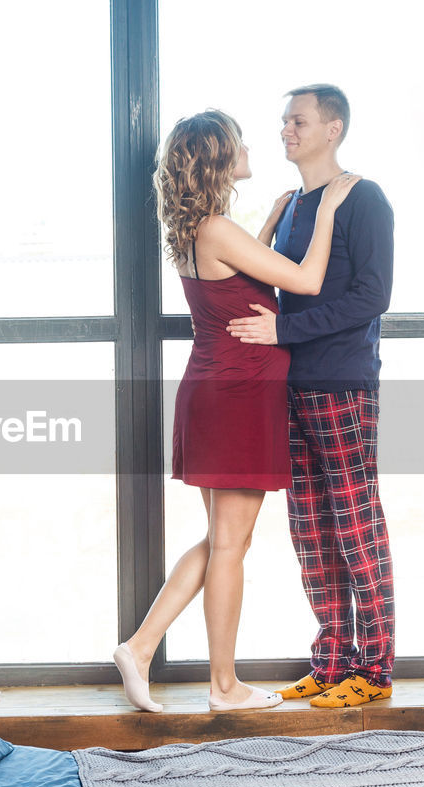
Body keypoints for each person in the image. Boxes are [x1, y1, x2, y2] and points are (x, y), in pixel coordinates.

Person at [113, 110, 360, 713]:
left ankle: (141, 647)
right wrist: (325, 213)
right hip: (238, 396)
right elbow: (304, 281)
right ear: (220, 159)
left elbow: (243, 269)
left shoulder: (199, 228)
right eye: (240, 142)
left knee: (223, 539)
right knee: (230, 544)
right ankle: (222, 687)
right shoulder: (219, 230)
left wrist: (271, 222)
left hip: (215, 392)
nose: (253, 146)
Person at [227, 84, 395, 709]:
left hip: (343, 385)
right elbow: (272, 283)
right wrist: (269, 225)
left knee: (356, 528)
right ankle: (331, 662)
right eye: (282, 121)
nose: (284, 130)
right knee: (310, 532)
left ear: (334, 128)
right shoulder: (295, 204)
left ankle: (373, 671)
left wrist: (287, 330)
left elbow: (371, 297)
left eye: (297, 120)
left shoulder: (362, 197)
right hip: (289, 389)